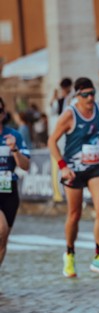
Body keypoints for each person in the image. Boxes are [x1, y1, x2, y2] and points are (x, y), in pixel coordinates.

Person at [47, 77, 99, 278]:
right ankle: (70, 253)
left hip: (95, 166)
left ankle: (98, 256)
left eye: (92, 94)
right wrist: (62, 167)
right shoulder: (69, 115)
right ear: (77, 96)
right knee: (75, 214)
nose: (90, 98)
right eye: (85, 95)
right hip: (73, 169)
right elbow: (51, 142)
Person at [0, 97, 30, 266]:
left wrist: (14, 150)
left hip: (8, 189)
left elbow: (25, 166)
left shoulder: (14, 136)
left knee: (3, 239)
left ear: (3, 114)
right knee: (1, 230)